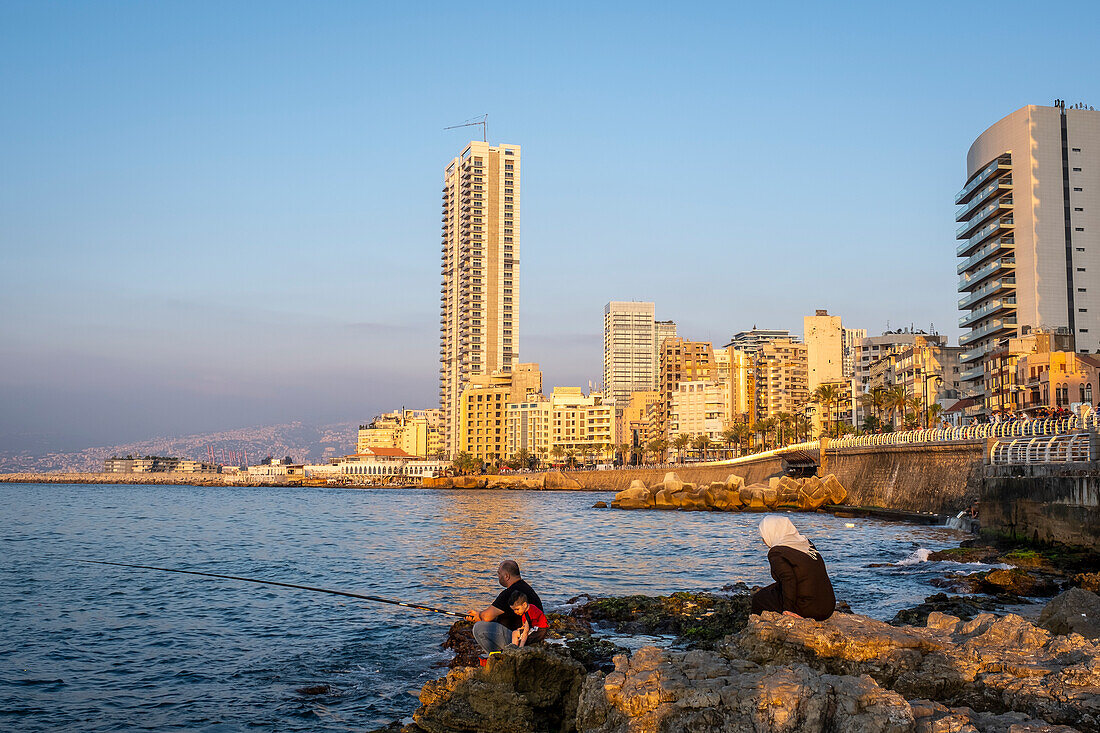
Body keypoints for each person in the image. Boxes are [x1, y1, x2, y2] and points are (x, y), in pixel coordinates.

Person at [751, 515, 836, 621]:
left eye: (763, 535)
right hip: (827, 607)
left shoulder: (777, 552)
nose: (763, 539)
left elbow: (788, 579)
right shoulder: (806, 544)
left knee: (759, 599)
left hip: (809, 608)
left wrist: (788, 609)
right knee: (771, 590)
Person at [466, 560, 545, 655]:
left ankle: (497, 656)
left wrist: (479, 615)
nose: (498, 576)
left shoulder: (509, 593)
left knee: (479, 628)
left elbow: (486, 616)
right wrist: (480, 615)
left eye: (499, 574)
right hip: (536, 637)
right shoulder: (527, 589)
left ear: (506, 576)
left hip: (523, 640)